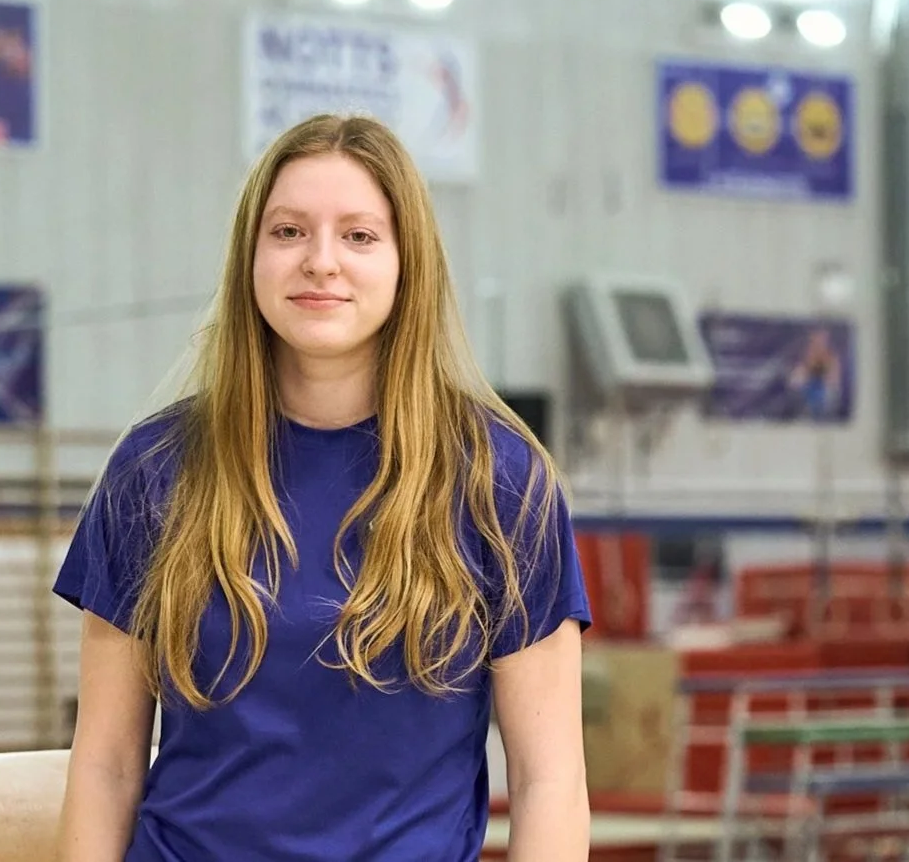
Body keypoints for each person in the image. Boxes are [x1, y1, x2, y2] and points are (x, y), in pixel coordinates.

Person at [53, 113, 593, 861]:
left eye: (360, 235)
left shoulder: (501, 482)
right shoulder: (155, 471)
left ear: (411, 263)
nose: (321, 261)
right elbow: (108, 762)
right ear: (251, 257)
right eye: (289, 232)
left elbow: (550, 780)